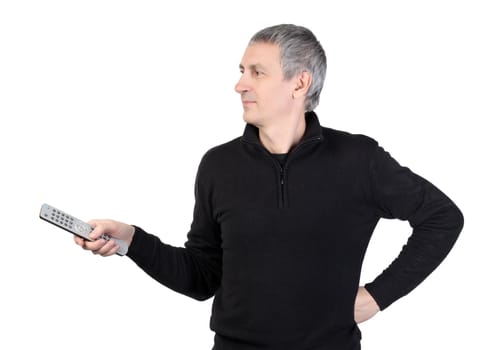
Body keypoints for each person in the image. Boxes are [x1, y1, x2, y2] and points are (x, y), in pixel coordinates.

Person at [75, 24, 464, 349]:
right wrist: (132, 239)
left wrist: (378, 297)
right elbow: (201, 278)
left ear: (300, 83)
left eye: (256, 72)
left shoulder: (358, 159)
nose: (239, 84)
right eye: (242, 70)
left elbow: (442, 218)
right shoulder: (219, 165)